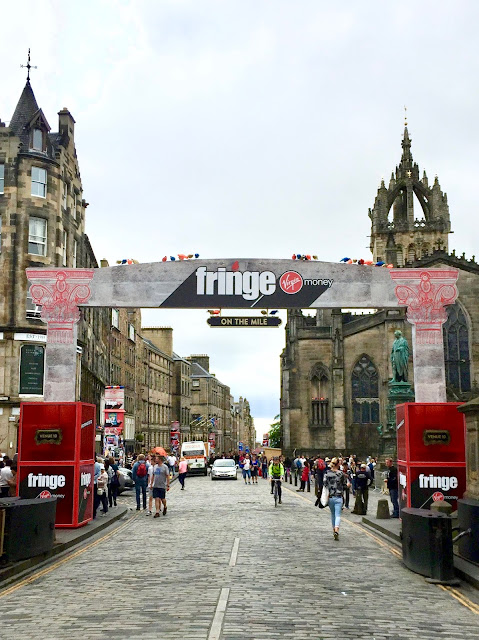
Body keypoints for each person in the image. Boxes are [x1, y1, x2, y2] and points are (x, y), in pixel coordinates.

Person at [323, 457, 346, 540]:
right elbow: (344, 485)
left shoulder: (327, 473)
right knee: (338, 515)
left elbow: (325, 484)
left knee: (333, 514)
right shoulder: (341, 474)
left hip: (330, 497)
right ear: (338, 464)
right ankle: (336, 529)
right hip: (339, 496)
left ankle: (334, 530)